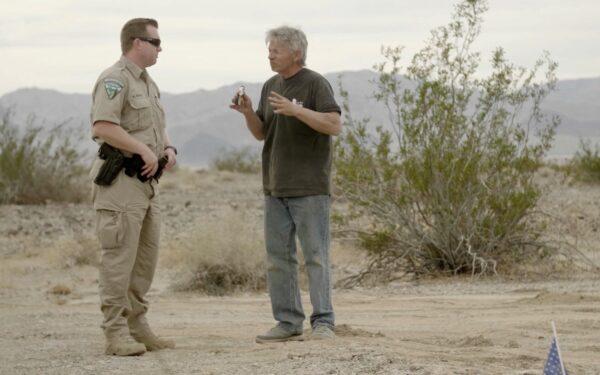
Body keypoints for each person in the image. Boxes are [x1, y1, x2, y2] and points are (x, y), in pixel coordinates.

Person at [230, 25, 342, 343]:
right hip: (275, 186)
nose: (270, 55)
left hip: (309, 187)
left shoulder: (316, 83)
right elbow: (262, 133)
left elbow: (334, 125)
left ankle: (323, 322)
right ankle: (288, 321)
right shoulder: (269, 85)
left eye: (275, 50)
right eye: (269, 50)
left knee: (316, 256)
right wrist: (248, 111)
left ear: (296, 52)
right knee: (278, 258)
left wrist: (298, 110)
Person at [89, 17, 177, 356]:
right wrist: (141, 150)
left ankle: (138, 326)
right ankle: (114, 334)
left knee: (144, 260)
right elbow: (103, 126)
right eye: (155, 42)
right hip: (120, 182)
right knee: (118, 259)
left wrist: (166, 149)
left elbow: (155, 126)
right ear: (137, 43)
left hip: (145, 185)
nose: (160, 48)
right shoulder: (114, 80)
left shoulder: (147, 83)